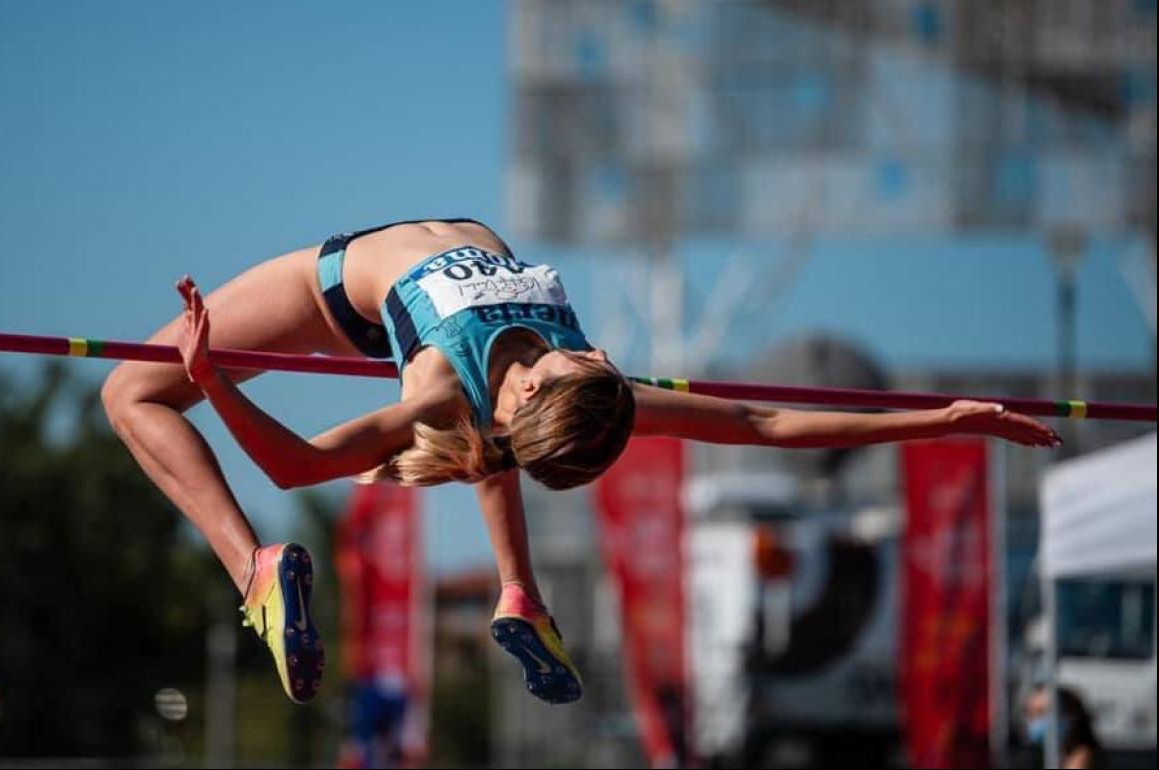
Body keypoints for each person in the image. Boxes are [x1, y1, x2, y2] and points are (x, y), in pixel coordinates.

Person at [100, 218, 1061, 704]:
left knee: (128, 392)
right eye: (597, 359)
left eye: (587, 362)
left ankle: (253, 572)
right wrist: (947, 418)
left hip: (342, 288)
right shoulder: (597, 397)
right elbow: (766, 423)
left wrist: (213, 382)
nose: (601, 352)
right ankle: (520, 594)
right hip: (449, 365)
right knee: (483, 447)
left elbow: (296, 466)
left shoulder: (442, 386)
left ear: (527, 391)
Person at [1025, 683, 1102, 769]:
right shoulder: (1056, 755)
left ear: (1070, 715)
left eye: (1042, 712)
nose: (1035, 720)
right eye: (1030, 713)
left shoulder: (1080, 759)